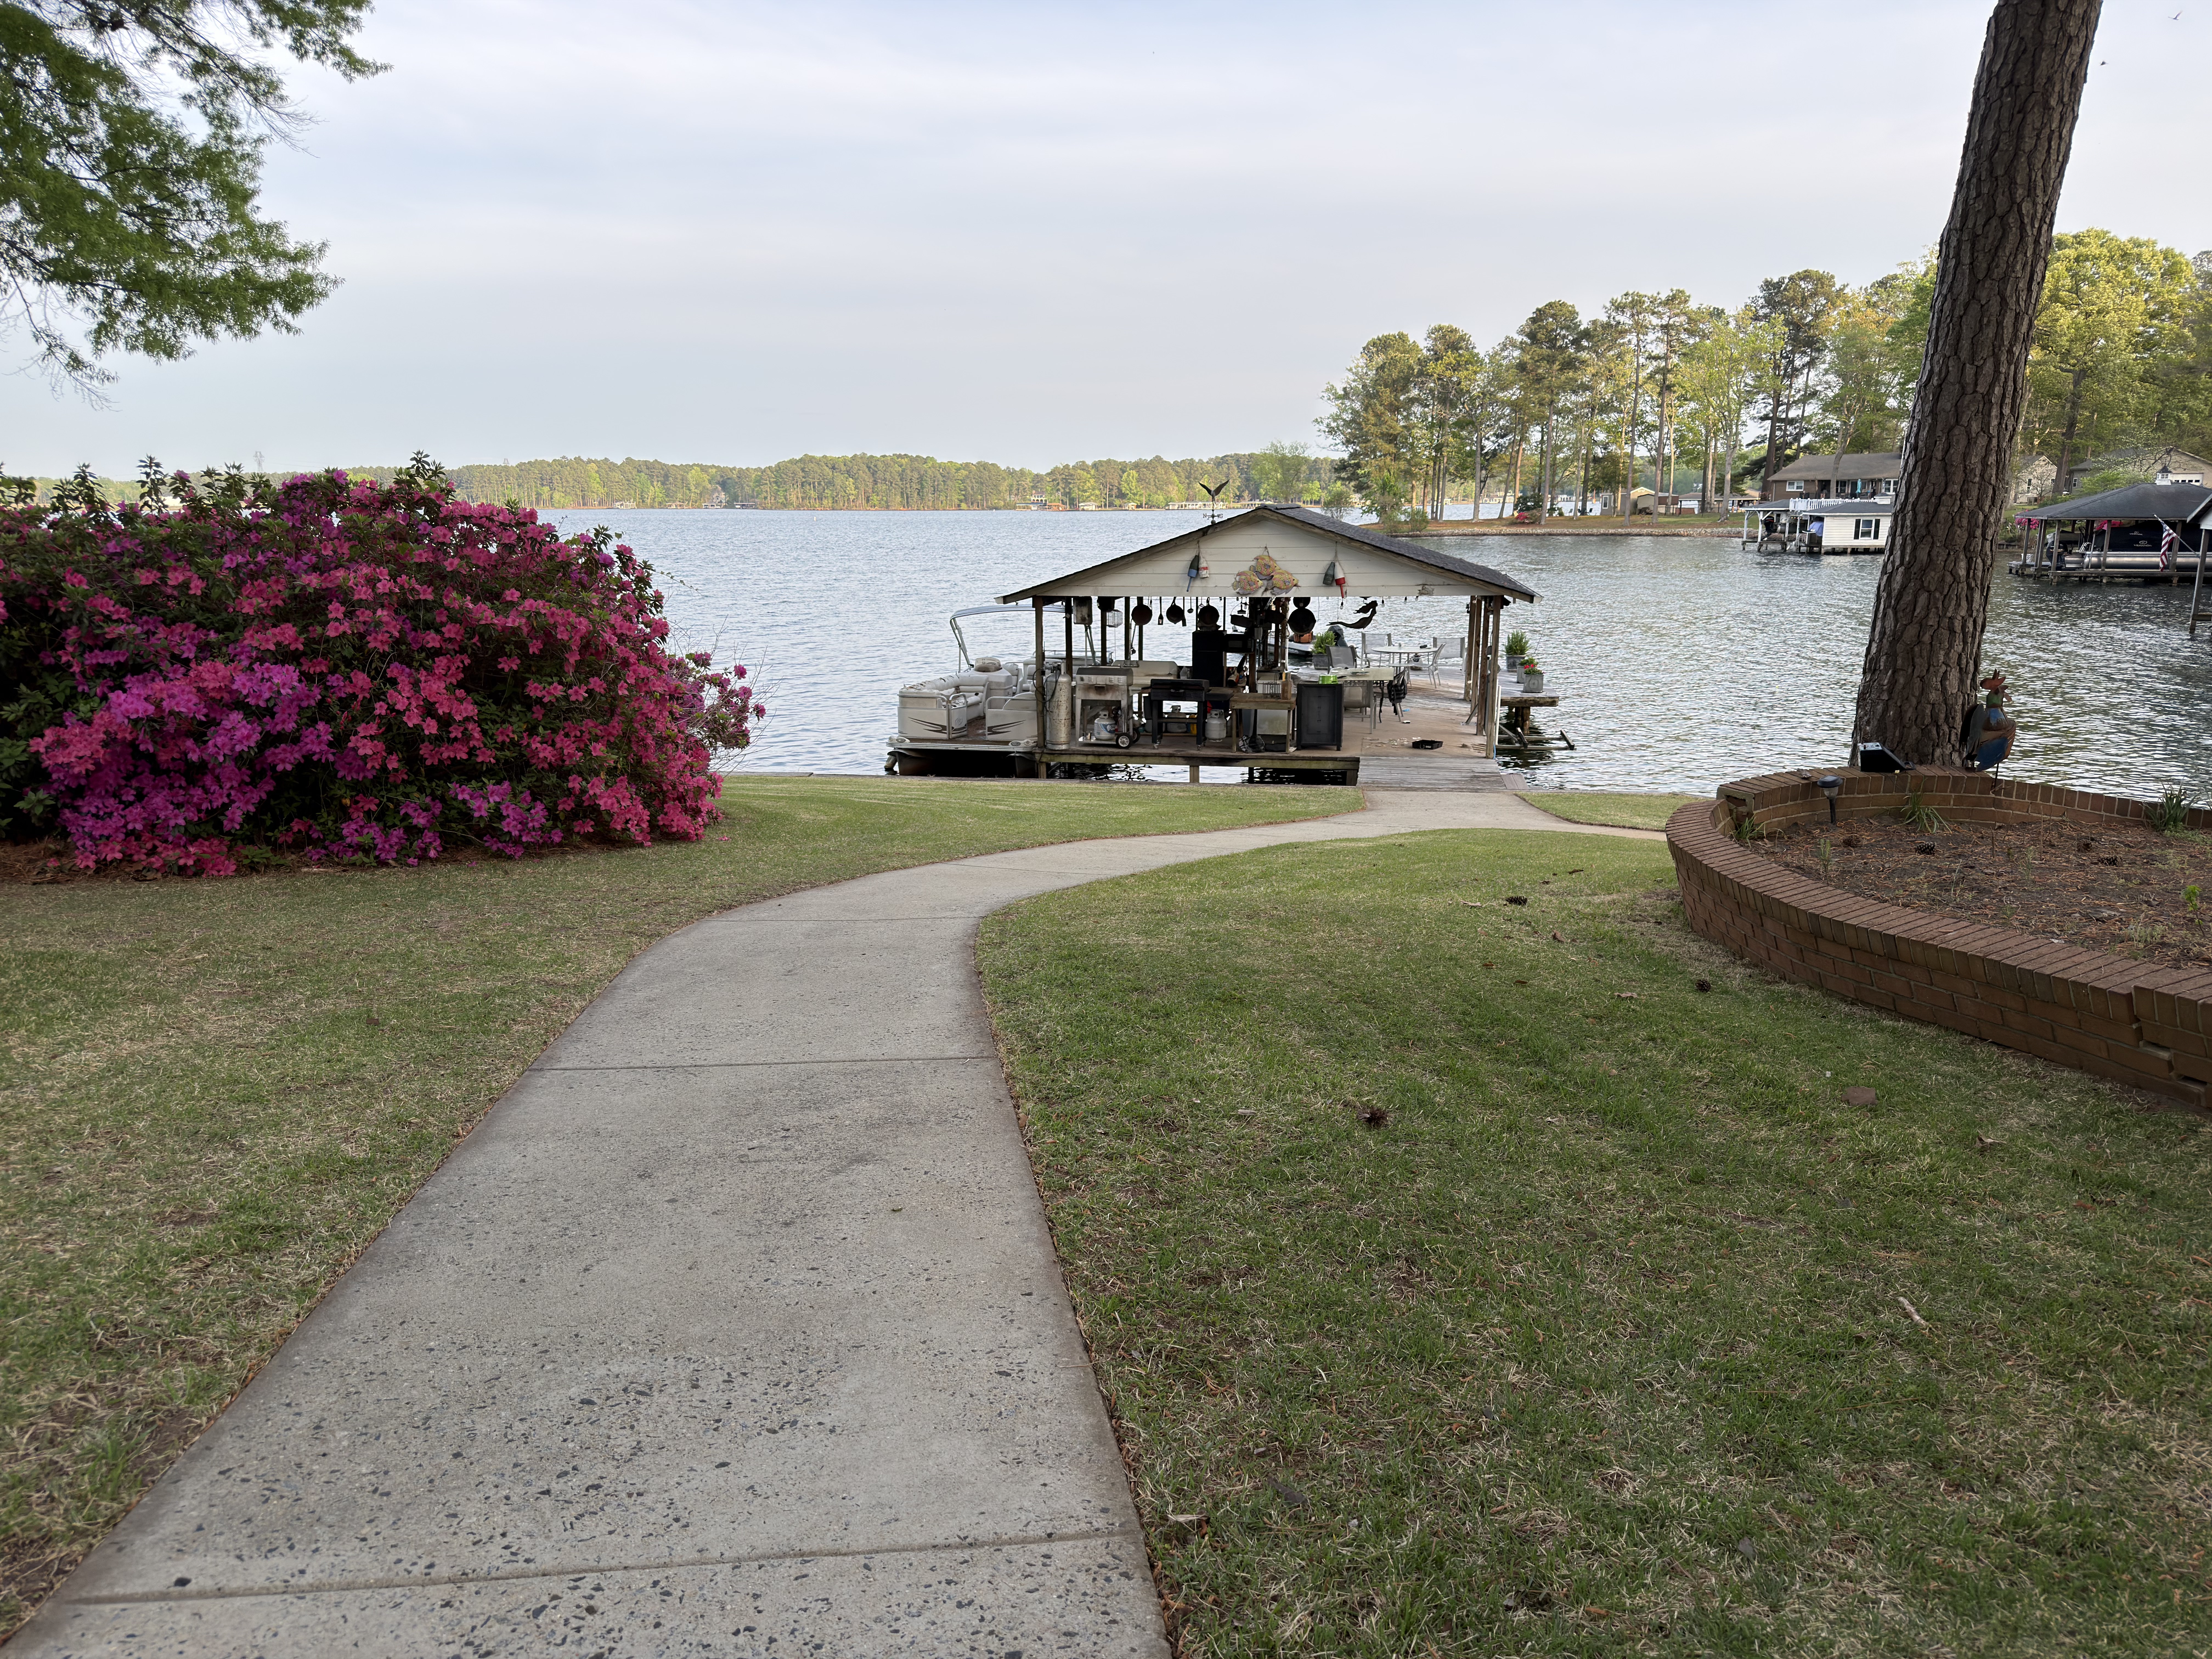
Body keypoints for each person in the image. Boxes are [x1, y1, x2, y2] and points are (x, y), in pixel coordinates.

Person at [1962, 670, 2017, 771]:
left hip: (1998, 713)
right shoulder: (1994, 694)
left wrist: (2008, 698)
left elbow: (2005, 695)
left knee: (2002, 726)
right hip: (1992, 714)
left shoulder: (1999, 691)